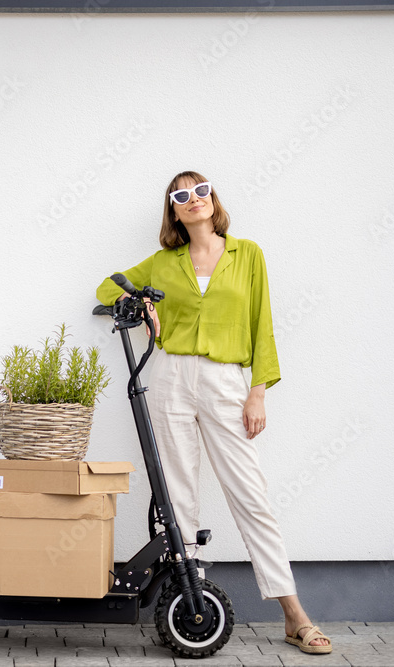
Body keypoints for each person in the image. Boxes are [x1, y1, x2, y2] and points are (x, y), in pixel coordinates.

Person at [95, 170, 332, 654]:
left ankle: (294, 614)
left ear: (213, 199)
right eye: (181, 195)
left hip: (226, 381)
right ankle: (189, 605)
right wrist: (137, 300)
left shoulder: (248, 254)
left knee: (251, 495)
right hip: (169, 376)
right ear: (174, 211)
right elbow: (105, 287)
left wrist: (258, 391)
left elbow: (262, 323)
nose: (193, 199)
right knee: (177, 496)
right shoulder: (164, 262)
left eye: (200, 190)